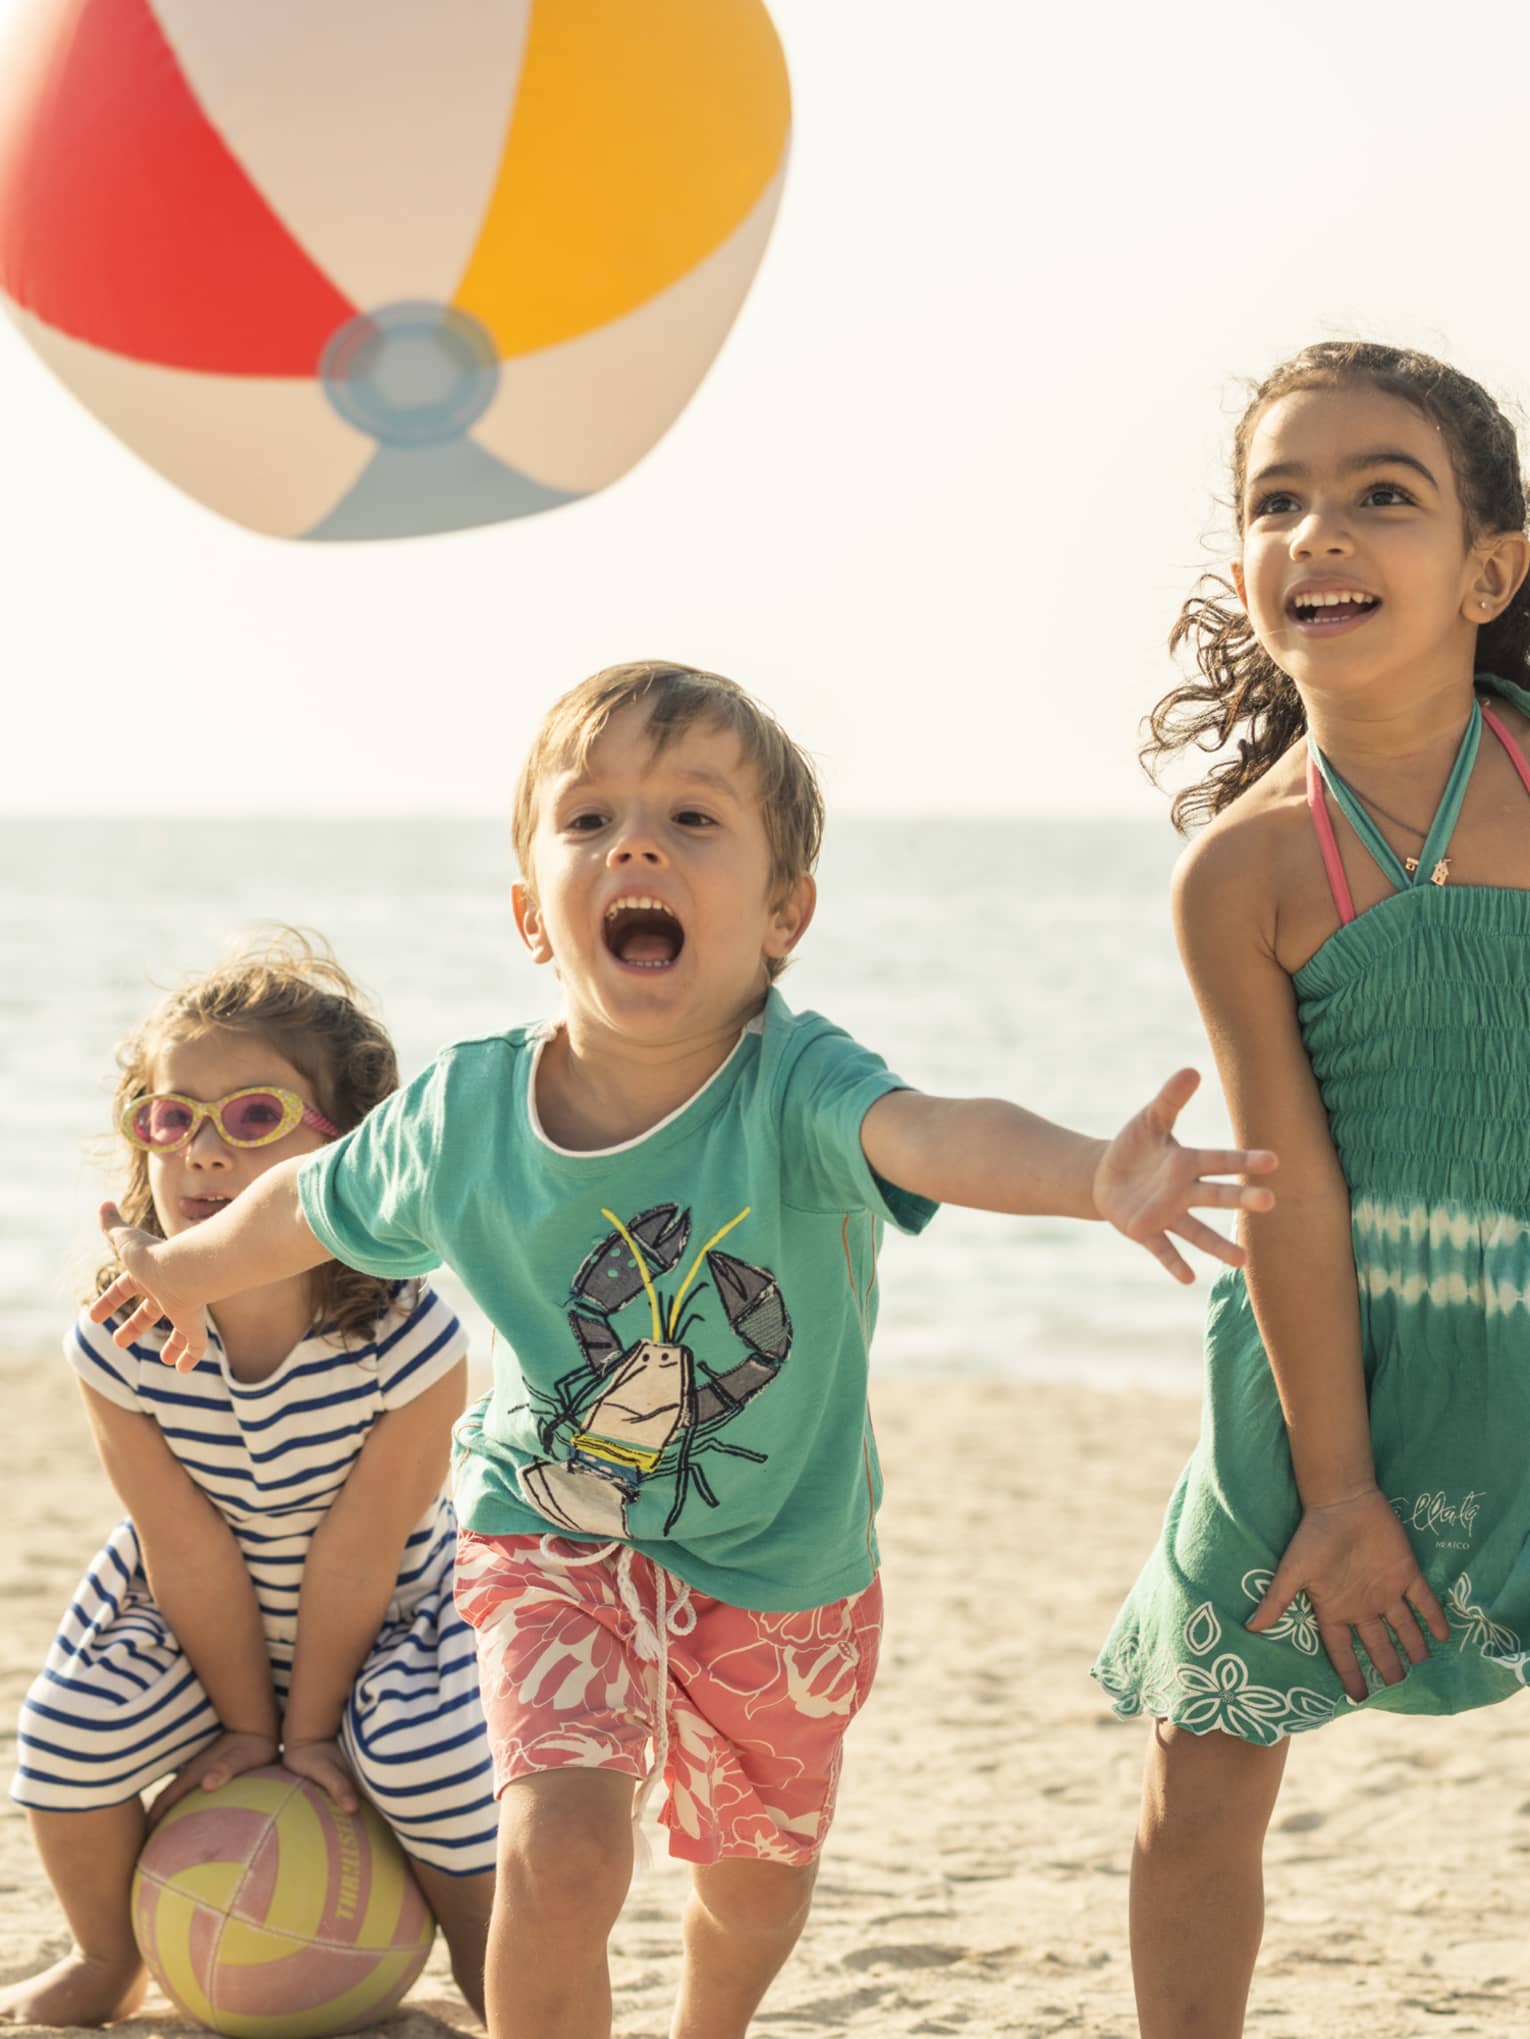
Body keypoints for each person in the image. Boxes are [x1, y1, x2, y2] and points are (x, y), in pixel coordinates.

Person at [89, 662, 1277, 2039]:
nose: (636, 843)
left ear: (784, 915)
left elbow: (935, 1130)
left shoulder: (800, 1078)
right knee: (564, 1847)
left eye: (693, 819)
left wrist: (1093, 1175)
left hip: (784, 1557)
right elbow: (308, 1198)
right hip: (551, 1529)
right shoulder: (468, 1109)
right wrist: (181, 1262)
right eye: (590, 818)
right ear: (535, 912)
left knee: (754, 1879)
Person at [1091, 339, 1530, 2037]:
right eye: (1278, 501)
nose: (1319, 531)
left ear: (1490, 569)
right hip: (1328, 1358)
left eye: (1380, 494)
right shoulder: (1249, 868)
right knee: (1202, 1756)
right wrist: (1337, 1491)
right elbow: (1287, 1191)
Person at [2, 934, 496, 2029]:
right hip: (191, 1613)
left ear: (353, 1152)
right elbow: (184, 1548)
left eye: (254, 1116)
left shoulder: (408, 1341)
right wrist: (242, 1723)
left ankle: (483, 1961)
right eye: (169, 1116)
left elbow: (360, 1552)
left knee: (426, 1753)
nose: (201, 1151)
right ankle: (107, 1954)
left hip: (392, 1614)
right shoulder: (118, 1344)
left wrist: (310, 1733)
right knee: (68, 1735)